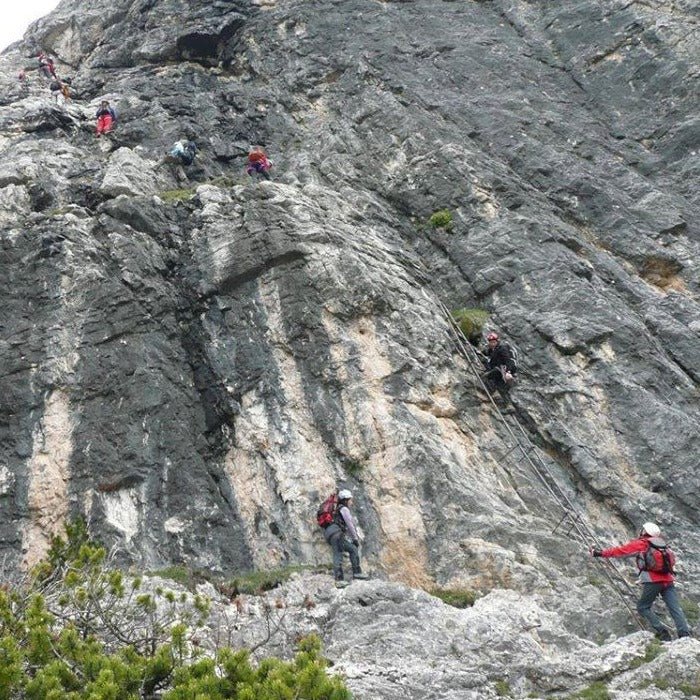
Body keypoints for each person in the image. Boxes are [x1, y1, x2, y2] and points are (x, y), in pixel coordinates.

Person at [591, 522, 691, 640]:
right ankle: (684, 635)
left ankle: (663, 632)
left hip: (653, 581)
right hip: (668, 580)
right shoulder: (663, 545)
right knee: (675, 608)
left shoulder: (642, 544)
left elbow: (620, 551)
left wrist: (599, 553)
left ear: (644, 532)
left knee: (643, 607)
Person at [323, 489, 369, 588]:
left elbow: (343, 525)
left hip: (331, 533)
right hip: (336, 534)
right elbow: (350, 525)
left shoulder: (336, 510)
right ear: (345, 500)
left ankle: (356, 573)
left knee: (352, 549)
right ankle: (340, 579)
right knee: (338, 554)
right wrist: (355, 539)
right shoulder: (343, 509)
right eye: (350, 500)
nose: (351, 502)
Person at [481, 332, 517, 404]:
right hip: (499, 370)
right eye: (490, 342)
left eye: (493, 342)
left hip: (503, 370)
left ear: (497, 342)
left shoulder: (502, 349)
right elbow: (487, 353)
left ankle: (488, 393)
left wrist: (508, 372)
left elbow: (508, 360)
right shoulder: (492, 350)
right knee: (500, 387)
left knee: (487, 375)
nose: (492, 344)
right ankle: (509, 405)